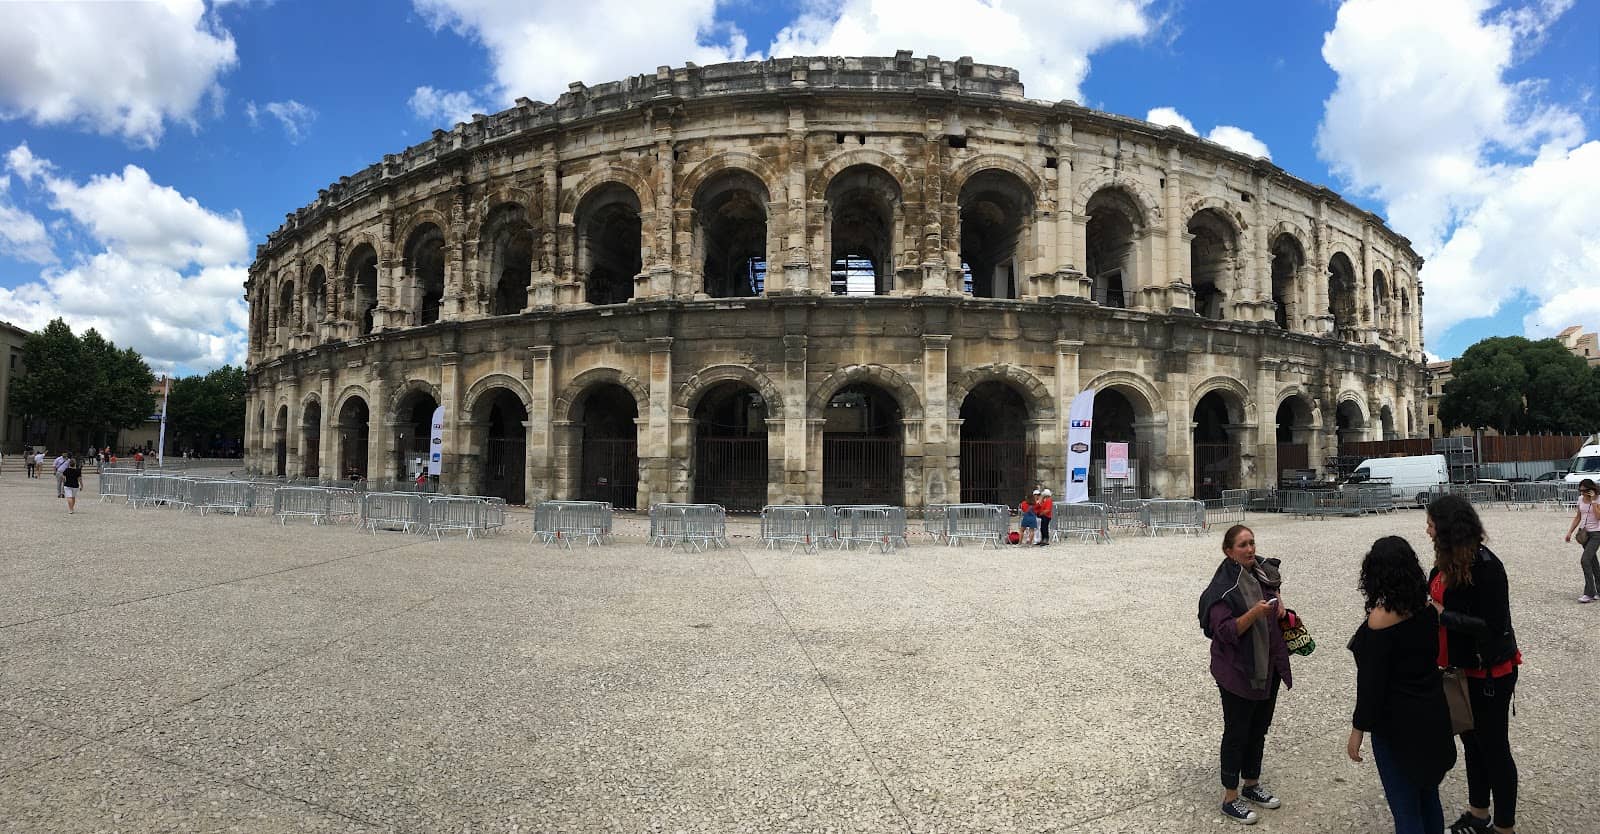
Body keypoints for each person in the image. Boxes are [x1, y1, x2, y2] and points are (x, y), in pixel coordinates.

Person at [1347, 536, 1457, 834]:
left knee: (1406, 809)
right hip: (1431, 711)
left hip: (1397, 723)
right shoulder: (1427, 608)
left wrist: (1357, 730)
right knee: (1429, 798)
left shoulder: (1381, 619)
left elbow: (1371, 684)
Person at [1425, 495, 1520, 834]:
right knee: (1472, 745)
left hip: (1490, 671)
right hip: (1459, 670)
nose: (1427, 531)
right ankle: (1479, 813)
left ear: (1448, 529)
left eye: (1432, 525)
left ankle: (1504, 826)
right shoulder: (1444, 563)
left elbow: (1493, 626)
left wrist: (1443, 616)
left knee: (1494, 748)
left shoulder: (1487, 567)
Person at [1198, 524, 1292, 825]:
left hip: (1267, 665)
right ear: (1228, 551)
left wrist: (1280, 605)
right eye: (1243, 545)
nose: (1250, 549)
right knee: (1237, 731)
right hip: (1238, 670)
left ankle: (1251, 784)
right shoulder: (1222, 587)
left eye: (1252, 543)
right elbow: (1223, 631)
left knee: (1259, 728)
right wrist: (1255, 613)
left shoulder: (1261, 572)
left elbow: (1273, 588)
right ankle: (1230, 797)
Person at [1564, 478, 1600, 603]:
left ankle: (1589, 592)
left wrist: (1594, 500)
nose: (1583, 492)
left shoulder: (1598, 499)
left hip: (1596, 534)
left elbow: (1598, 516)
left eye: (1585, 490)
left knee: (1585, 560)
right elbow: (1578, 516)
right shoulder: (1580, 499)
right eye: (1581, 490)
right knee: (1593, 562)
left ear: (1591, 489)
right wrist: (1570, 531)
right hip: (1584, 534)